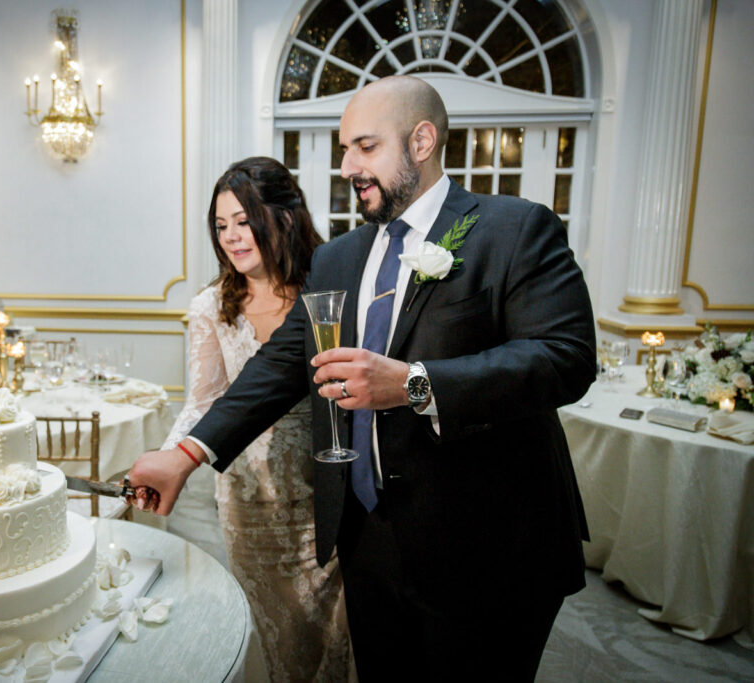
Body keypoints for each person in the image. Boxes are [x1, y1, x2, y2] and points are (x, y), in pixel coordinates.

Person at [131, 76, 595, 681]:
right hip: (370, 541)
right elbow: (277, 365)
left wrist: (414, 384)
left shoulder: (514, 230)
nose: (348, 164)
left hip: (487, 546)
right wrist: (187, 453)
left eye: (365, 147)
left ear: (422, 141)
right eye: (345, 147)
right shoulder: (340, 257)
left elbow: (565, 358)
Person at [162, 156, 350, 680]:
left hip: (326, 493)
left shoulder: (326, 291)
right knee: (281, 641)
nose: (231, 238)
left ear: (284, 217)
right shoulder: (211, 306)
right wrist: (170, 454)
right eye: (221, 227)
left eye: (244, 222)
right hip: (251, 502)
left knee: (340, 636)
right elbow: (203, 402)